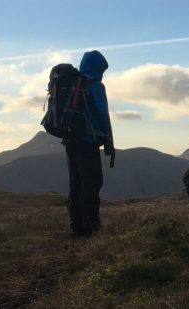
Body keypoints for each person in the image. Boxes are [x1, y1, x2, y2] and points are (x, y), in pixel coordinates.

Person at [64, 50, 114, 236]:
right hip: (88, 142)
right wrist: (108, 140)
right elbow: (102, 114)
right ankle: (91, 226)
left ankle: (76, 224)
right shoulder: (94, 86)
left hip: (70, 141)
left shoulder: (73, 83)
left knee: (75, 183)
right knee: (92, 182)